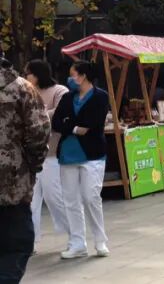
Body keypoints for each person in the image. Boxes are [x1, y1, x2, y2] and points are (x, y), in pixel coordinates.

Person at [52, 61, 110, 259]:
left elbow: (93, 124)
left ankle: (100, 240)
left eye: (73, 74)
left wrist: (70, 124)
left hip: (92, 155)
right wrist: (75, 128)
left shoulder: (100, 96)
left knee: (91, 197)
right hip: (67, 154)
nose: (71, 78)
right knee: (70, 200)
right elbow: (56, 122)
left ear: (83, 75)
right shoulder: (68, 97)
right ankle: (77, 243)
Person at [0, 54, 50, 282]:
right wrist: (31, 167)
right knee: (14, 248)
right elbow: (39, 132)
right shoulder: (22, 88)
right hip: (12, 185)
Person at [23, 61, 70, 246]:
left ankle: (74, 234)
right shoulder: (26, 92)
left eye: (28, 73)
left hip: (52, 152)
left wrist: (35, 115)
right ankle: (30, 240)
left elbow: (60, 112)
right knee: (31, 201)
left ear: (37, 74)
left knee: (54, 196)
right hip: (30, 154)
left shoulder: (60, 91)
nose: (26, 77)